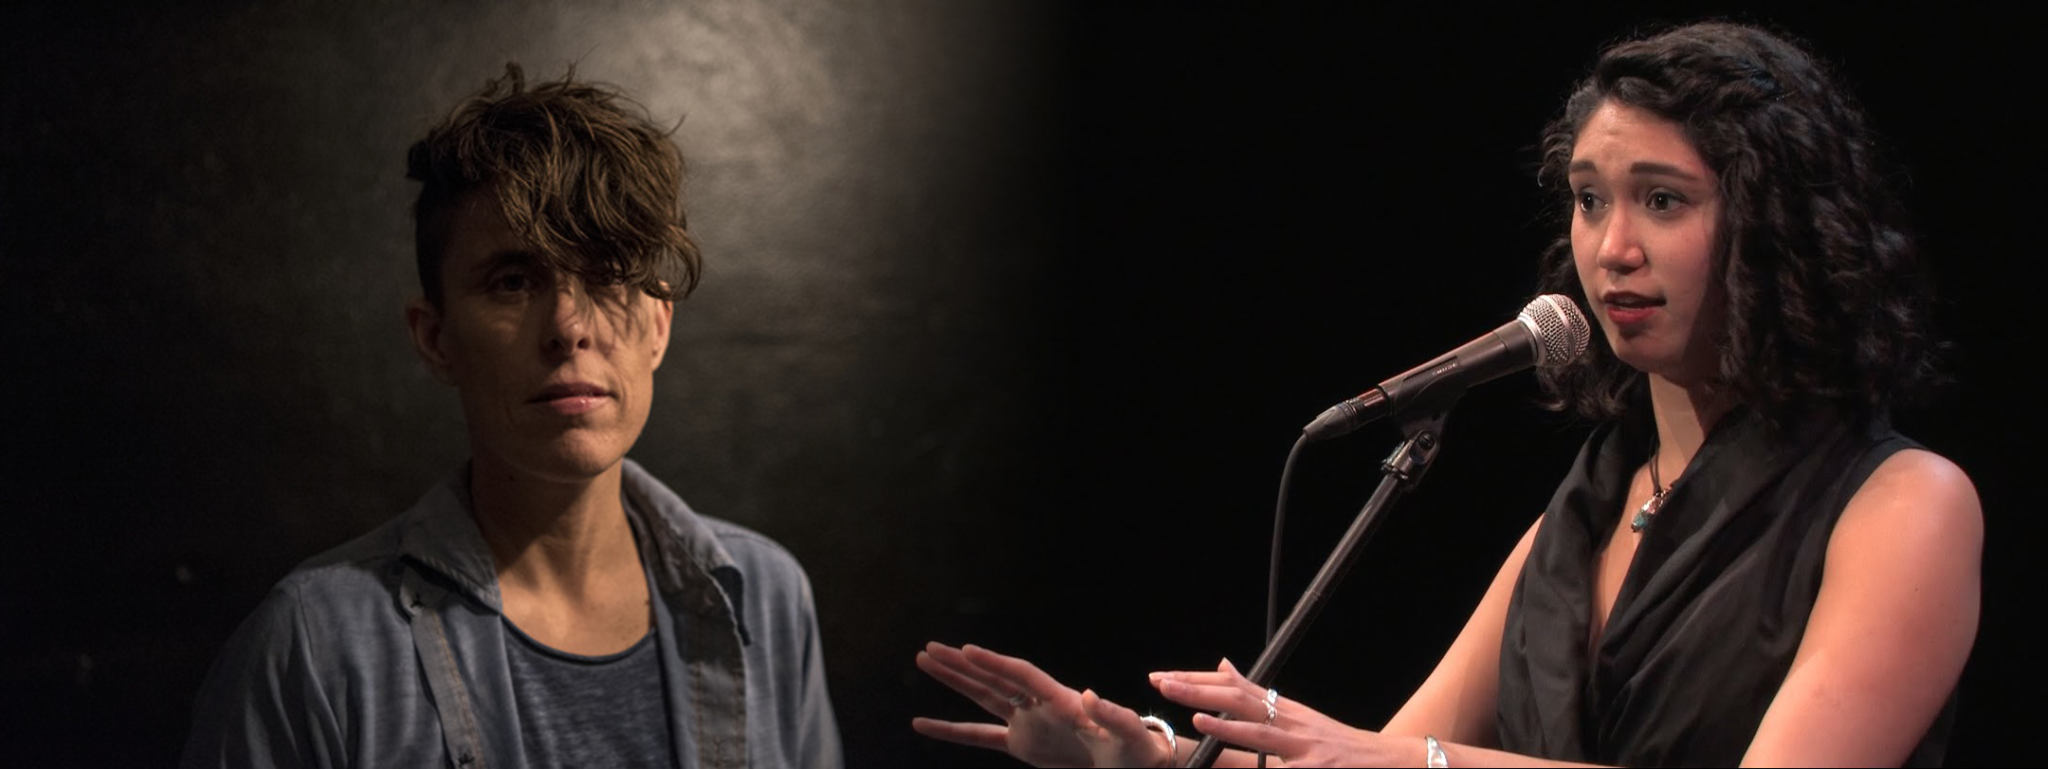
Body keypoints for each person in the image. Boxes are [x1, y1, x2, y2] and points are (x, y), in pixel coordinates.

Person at [914, 21, 1980, 768]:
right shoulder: (1586, 509)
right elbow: (1366, 758)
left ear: (1776, 226)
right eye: (1588, 199)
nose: (1611, 247)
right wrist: (1145, 753)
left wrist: (1422, 762)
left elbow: (1396, 760)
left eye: (1662, 201)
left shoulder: (1900, 505)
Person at [182, 64, 843, 769]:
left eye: (607, 273)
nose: (568, 327)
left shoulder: (763, 598)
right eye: (513, 281)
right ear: (435, 338)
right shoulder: (313, 645)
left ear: (658, 325)